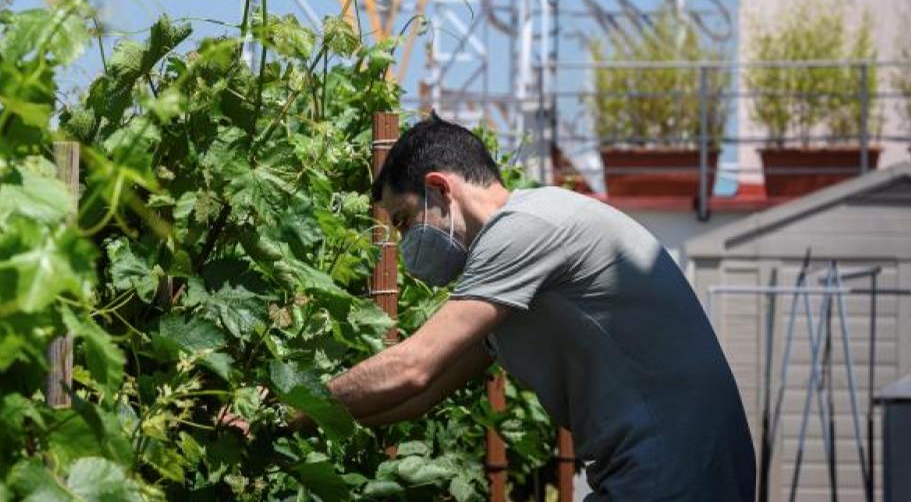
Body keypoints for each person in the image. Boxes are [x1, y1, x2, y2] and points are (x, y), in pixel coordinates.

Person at [308, 113, 754, 501]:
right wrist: (304, 421)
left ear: (440, 189)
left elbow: (412, 367)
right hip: (680, 468)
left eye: (404, 221)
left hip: (670, 472)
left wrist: (290, 406)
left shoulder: (521, 229)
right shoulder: (513, 266)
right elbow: (422, 393)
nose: (405, 243)